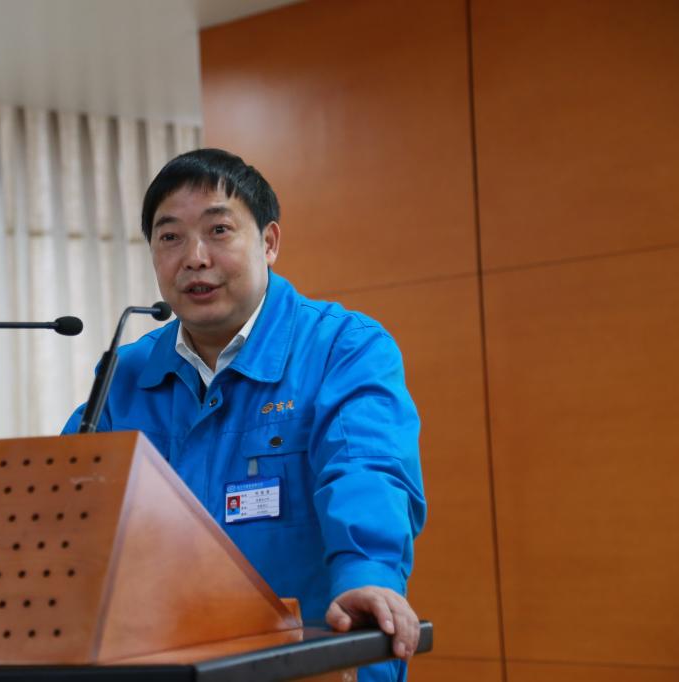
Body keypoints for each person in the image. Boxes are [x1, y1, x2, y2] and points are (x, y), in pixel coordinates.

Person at [63, 148, 426, 681]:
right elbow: (68, 501)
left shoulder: (342, 347)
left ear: (269, 242)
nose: (194, 257)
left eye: (218, 231)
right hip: (171, 666)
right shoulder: (126, 374)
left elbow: (366, 470)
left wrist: (366, 575)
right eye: (170, 237)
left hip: (319, 659)